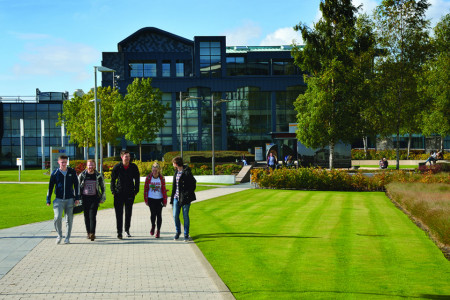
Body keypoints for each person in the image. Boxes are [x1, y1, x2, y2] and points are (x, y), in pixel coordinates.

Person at [46, 155, 80, 244]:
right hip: (58, 200)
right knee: (57, 218)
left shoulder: (72, 172)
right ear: (58, 162)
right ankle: (59, 235)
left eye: (65, 162)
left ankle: (67, 237)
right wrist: (48, 199)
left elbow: (76, 185)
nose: (64, 164)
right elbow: (50, 187)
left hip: (70, 200)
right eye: (62, 162)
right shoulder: (55, 173)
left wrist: (77, 198)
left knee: (69, 219)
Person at [110, 150, 140, 239]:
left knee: (128, 213)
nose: (128, 158)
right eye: (126, 156)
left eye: (129, 156)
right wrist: (113, 191)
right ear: (122, 157)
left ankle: (127, 230)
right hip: (119, 194)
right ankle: (119, 232)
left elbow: (137, 179)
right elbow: (112, 180)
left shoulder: (133, 167)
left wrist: (136, 191)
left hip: (130, 193)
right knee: (119, 214)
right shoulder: (117, 167)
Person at [78, 159, 106, 241]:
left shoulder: (98, 175)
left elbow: (103, 187)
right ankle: (88, 232)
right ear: (87, 165)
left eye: (92, 165)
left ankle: (92, 233)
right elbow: (77, 187)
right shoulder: (82, 175)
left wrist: (102, 198)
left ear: (94, 165)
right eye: (89, 165)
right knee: (86, 216)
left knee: (92, 216)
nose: (90, 166)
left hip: (94, 199)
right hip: (84, 199)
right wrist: (77, 198)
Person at [170, 156, 196, 242]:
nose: (173, 164)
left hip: (185, 198)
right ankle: (178, 231)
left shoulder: (187, 172)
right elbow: (174, 186)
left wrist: (188, 194)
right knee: (175, 215)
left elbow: (193, 183)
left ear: (176, 163)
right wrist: (172, 198)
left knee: (185, 216)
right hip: (176, 197)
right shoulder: (176, 172)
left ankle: (186, 234)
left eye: (173, 163)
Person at [144, 162, 168, 238]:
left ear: (158, 171)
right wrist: (146, 200)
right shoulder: (148, 177)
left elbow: (163, 190)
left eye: (156, 170)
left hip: (159, 199)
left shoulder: (161, 178)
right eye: (153, 170)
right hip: (151, 198)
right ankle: (153, 226)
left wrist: (165, 201)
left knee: (159, 215)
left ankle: (158, 231)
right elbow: (146, 189)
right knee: (153, 214)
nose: (154, 172)